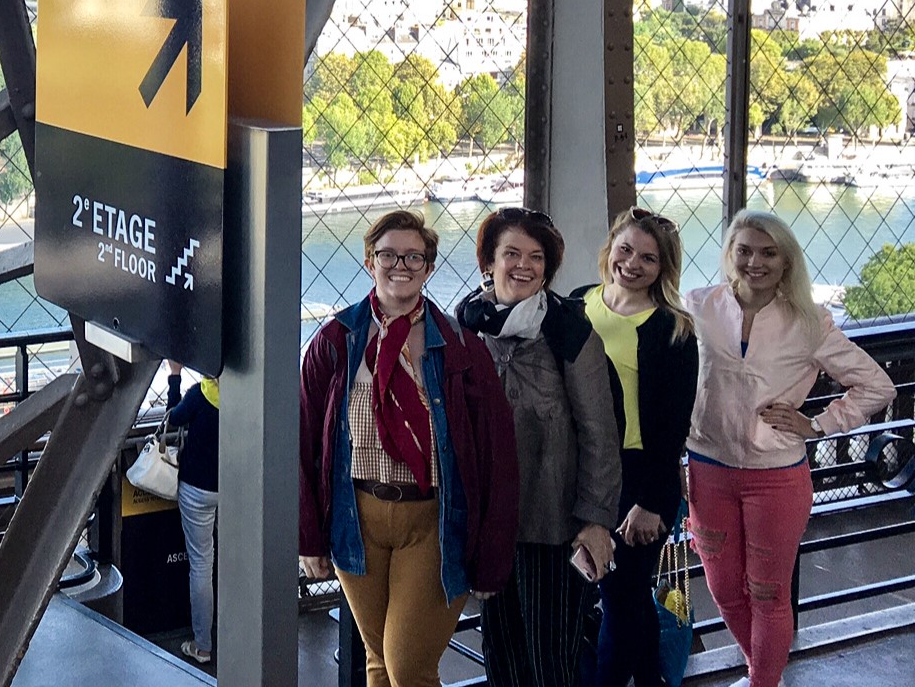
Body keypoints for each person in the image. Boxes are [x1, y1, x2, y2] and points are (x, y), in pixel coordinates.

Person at [300, 210, 517, 687]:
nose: (401, 265)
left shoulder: (460, 348)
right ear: (368, 261)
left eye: (413, 256)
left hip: (435, 523)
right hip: (357, 521)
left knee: (408, 668)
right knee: (378, 663)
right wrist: (310, 537)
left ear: (429, 266)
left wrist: (491, 555)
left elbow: (497, 455)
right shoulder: (336, 341)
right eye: (388, 255)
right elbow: (305, 440)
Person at [686, 210, 894, 687]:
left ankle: (763, 680)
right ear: (730, 254)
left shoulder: (807, 322)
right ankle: (766, 673)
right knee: (723, 591)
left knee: (768, 593)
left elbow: (875, 385)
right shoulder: (698, 306)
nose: (754, 262)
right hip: (707, 469)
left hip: (776, 477)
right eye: (744, 250)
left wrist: (817, 424)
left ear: (785, 263)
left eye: (767, 252)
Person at [457, 207, 621, 687]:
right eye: (511, 253)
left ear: (548, 269)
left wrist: (595, 520)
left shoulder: (570, 332)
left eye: (535, 256)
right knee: (502, 658)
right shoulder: (467, 328)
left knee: (552, 665)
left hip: (554, 527)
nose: (522, 265)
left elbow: (600, 432)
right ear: (489, 261)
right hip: (492, 524)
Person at [575, 208, 699, 687]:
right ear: (611, 248)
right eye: (625, 249)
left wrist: (650, 502)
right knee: (626, 596)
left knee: (621, 596)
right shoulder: (576, 303)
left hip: (641, 478)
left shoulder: (673, 329)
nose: (632, 263)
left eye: (648, 258)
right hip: (584, 470)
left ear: (662, 268)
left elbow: (673, 426)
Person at [164, 360, 219, 666]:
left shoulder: (201, 395)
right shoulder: (249, 395)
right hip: (238, 487)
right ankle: (243, 634)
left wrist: (174, 376)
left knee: (201, 565)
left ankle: (203, 645)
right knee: (237, 562)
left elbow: (173, 417)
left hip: (197, 488)